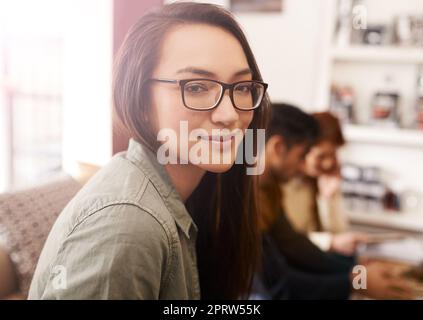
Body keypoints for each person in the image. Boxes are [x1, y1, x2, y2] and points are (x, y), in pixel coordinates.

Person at [28, 2, 269, 299]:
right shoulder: (127, 225)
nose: (229, 114)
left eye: (242, 87)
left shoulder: (190, 197)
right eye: (196, 87)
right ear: (141, 100)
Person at [253, 103, 414, 300]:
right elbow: (280, 285)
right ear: (278, 148)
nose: (302, 164)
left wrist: (358, 270)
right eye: (302, 155)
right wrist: (358, 280)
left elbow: (295, 246)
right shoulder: (241, 198)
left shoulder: (268, 189)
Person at [282, 111, 369, 256]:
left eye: (333, 155)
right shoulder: (283, 182)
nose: (328, 163)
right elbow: (283, 240)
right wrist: (329, 242)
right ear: (302, 149)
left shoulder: (322, 180)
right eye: (321, 156)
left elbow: (339, 234)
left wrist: (327, 198)